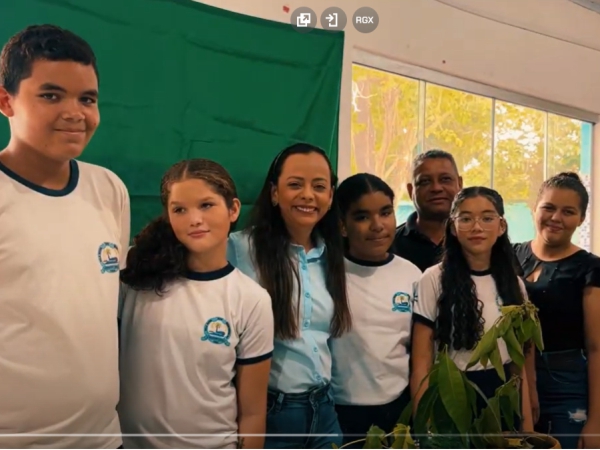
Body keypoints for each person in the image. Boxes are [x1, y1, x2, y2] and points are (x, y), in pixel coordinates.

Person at [0, 25, 130, 448]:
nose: (76, 113)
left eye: (87, 99)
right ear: (6, 101)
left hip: (103, 438)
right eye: (51, 95)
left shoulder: (109, 188)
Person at [118, 159, 274, 449]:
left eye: (206, 205)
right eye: (179, 209)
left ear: (233, 209)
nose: (194, 219)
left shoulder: (251, 300)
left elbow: (252, 412)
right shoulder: (134, 278)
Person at [227, 142, 351, 449]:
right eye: (295, 184)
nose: (308, 195)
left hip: (324, 410)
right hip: (270, 414)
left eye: (319, 186)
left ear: (330, 196)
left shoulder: (332, 256)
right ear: (274, 193)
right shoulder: (238, 249)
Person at [411, 187, 533, 431]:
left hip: (501, 395)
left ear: (501, 226)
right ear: (453, 227)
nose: (477, 227)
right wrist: (423, 428)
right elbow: (421, 362)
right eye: (466, 219)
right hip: (452, 392)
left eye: (487, 218)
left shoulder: (514, 283)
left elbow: (517, 361)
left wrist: (526, 424)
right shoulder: (433, 279)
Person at [330, 173, 420, 447]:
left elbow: (420, 352)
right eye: (362, 217)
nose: (377, 225)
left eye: (385, 213)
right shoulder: (325, 273)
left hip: (398, 411)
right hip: (339, 413)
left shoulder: (411, 275)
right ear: (343, 226)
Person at [514, 172, 600, 449]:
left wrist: (596, 420)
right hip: (514, 376)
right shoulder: (509, 255)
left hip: (567, 382)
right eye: (548, 207)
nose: (556, 217)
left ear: (581, 219)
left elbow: (597, 347)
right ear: (534, 209)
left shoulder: (590, 268)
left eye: (568, 211)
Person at [392, 149, 463, 272]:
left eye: (445, 179)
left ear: (460, 184)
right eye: (425, 181)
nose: (436, 188)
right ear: (410, 191)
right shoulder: (389, 246)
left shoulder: (478, 242)